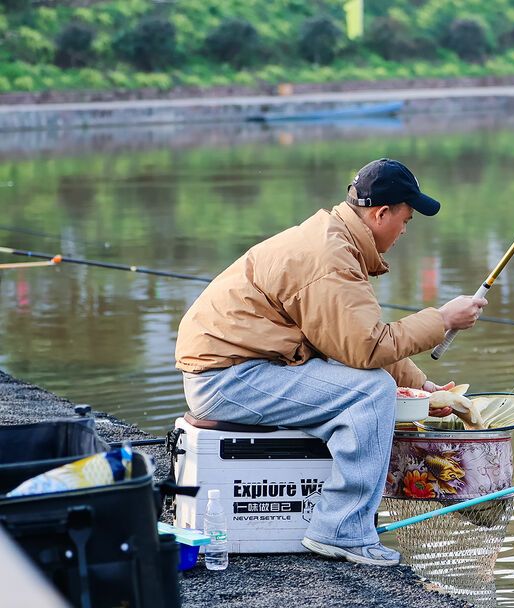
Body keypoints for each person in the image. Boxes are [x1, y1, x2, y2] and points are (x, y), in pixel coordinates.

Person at [174, 158, 487, 566]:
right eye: (406, 220)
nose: (405, 231)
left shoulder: (334, 240)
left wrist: (422, 387)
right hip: (225, 380)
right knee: (372, 392)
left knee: (367, 383)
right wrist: (443, 319)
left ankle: (343, 519)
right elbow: (368, 349)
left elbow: (351, 342)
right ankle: (342, 531)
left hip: (239, 371)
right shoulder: (331, 259)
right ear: (381, 214)